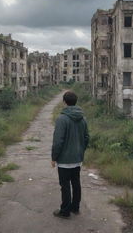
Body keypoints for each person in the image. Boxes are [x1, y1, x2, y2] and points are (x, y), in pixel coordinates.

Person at [51, 91, 89, 219]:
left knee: (65, 185)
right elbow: (86, 138)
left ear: (64, 102)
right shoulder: (83, 118)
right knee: (76, 183)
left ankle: (65, 211)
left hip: (64, 160)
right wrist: (80, 151)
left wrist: (54, 157)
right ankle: (75, 207)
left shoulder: (62, 119)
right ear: (75, 101)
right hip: (77, 158)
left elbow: (58, 141)